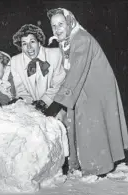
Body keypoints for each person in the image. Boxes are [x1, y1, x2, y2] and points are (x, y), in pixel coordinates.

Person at [44, 8, 128, 176]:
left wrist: (57, 102)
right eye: (54, 26)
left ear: (69, 22)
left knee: (92, 124)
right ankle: (82, 163)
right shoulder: (69, 40)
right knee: (80, 122)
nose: (57, 29)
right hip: (83, 86)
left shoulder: (81, 39)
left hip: (96, 87)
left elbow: (76, 72)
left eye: (61, 24)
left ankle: (98, 168)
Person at [11, 24, 66, 113]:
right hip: (30, 109)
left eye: (32, 42)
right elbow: (20, 89)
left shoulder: (56, 54)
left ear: (39, 43)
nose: (29, 47)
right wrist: (29, 105)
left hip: (55, 106)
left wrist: (44, 102)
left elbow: (58, 84)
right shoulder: (15, 61)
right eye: (24, 43)